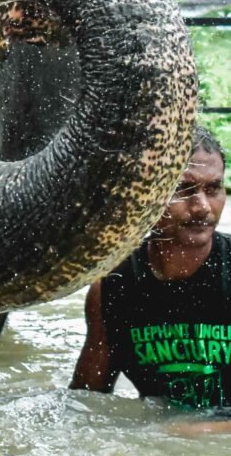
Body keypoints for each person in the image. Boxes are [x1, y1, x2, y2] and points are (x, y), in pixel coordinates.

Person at [71, 124, 230, 410]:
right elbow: (84, 403)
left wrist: (199, 431)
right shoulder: (113, 285)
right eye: (183, 189)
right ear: (144, 194)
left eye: (213, 188)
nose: (203, 207)